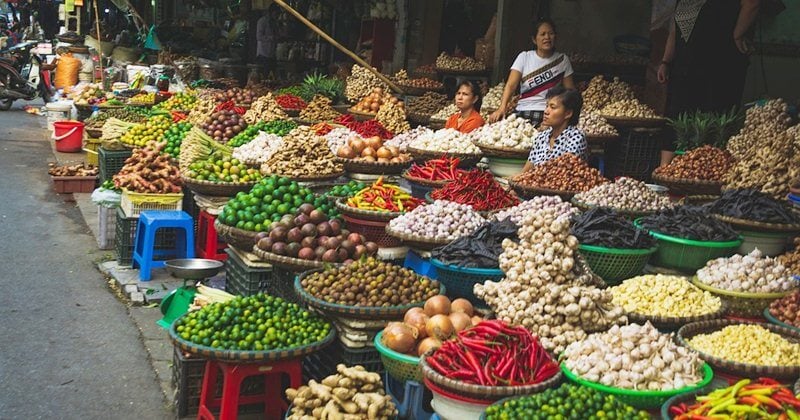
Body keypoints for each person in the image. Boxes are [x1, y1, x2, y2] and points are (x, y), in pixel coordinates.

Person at [656, 0, 760, 165]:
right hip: (684, 69)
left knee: (715, 120)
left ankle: (709, 173)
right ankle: (664, 173)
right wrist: (666, 62)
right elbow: (675, 31)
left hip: (719, 68)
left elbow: (752, 4)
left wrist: (737, 34)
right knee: (676, 118)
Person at [488, 18, 575, 127]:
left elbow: (570, 91)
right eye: (542, 34)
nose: (547, 37)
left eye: (551, 33)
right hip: (524, 110)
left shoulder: (562, 60)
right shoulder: (524, 57)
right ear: (534, 39)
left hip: (550, 113)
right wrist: (502, 108)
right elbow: (511, 85)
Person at [523, 86, 587, 172]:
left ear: (568, 113)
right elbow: (526, 171)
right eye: (547, 106)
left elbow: (563, 174)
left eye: (553, 107)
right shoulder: (541, 137)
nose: (546, 111)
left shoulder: (575, 138)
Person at [256, 4, 280, 74]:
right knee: (263, 76)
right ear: (271, 12)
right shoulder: (262, 21)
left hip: (272, 55)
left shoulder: (275, 23)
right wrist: (271, 38)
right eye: (276, 13)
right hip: (263, 54)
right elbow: (258, 36)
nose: (277, 16)